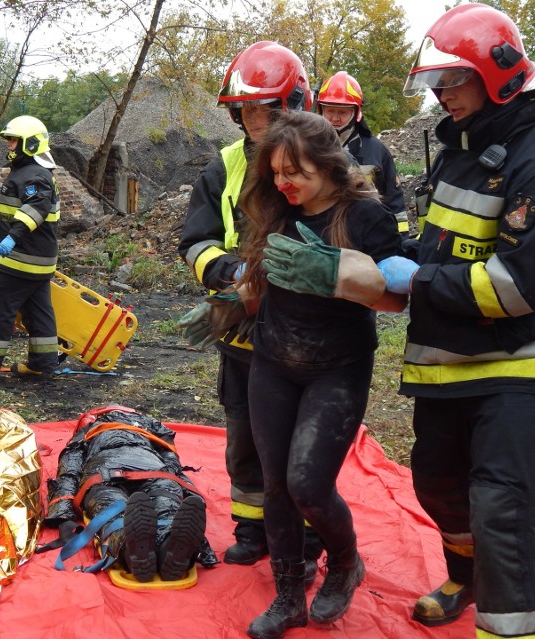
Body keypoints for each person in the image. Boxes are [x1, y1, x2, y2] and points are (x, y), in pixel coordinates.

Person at [377, 5, 535, 639]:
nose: (442, 96)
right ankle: (465, 577)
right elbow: (443, 247)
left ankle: (511, 630)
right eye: (436, 84)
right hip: (448, 357)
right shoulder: (462, 151)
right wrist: (397, 260)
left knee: (499, 504)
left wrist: (412, 281)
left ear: (496, 76)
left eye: (453, 81)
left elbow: (516, 288)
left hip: (517, 359)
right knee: (439, 488)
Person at [228, 110, 404, 638]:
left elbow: (395, 297)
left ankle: (346, 562)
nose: (285, 183)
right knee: (277, 484)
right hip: (273, 363)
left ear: (327, 166)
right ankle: (287, 598)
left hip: (337, 368)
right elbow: (257, 284)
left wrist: (339, 274)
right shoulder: (279, 210)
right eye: (277, 172)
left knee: (308, 483)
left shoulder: (366, 219)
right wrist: (225, 305)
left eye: (296, 171)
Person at [177, 41, 325, 573]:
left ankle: (306, 538)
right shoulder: (223, 168)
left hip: (307, 338)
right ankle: (252, 526)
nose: (256, 120)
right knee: (243, 431)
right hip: (240, 330)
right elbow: (196, 240)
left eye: (267, 108)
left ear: (295, 105)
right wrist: (229, 273)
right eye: (247, 110)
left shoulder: (324, 163)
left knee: (300, 443)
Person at [44, 405, 218, 582]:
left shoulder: (88, 431)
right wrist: (190, 494)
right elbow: (173, 463)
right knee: (167, 502)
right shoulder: (151, 427)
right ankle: (169, 544)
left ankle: (129, 547)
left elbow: (69, 470)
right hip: (154, 469)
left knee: (113, 512)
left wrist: (63, 512)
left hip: (105, 473)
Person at [0, 115, 61, 380]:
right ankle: (42, 364)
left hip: (23, 257)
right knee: (37, 311)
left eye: (13, 141)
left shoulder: (35, 175)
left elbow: (35, 209)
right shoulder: (27, 172)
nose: (9, 146)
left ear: (29, 145)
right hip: (35, 258)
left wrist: (12, 237)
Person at [316, 71, 408, 236]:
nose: (335, 118)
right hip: (323, 236)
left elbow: (395, 205)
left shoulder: (376, 151)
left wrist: (400, 242)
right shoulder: (310, 147)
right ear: (321, 110)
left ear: (355, 113)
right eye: (330, 110)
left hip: (369, 237)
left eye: (342, 112)